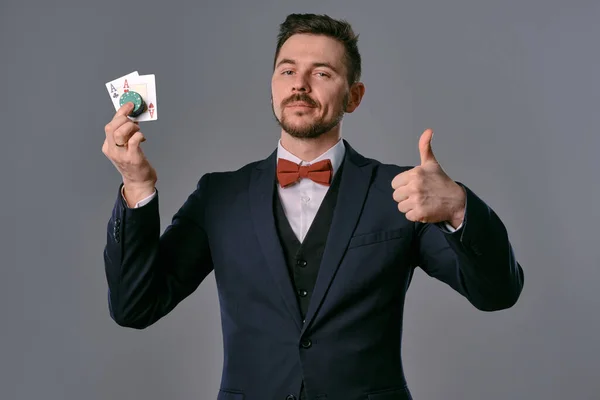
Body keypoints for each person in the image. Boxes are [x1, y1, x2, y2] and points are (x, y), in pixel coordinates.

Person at [102, 13, 524, 400]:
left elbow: (497, 293)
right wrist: (137, 186)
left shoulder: (403, 192)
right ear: (272, 87)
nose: (299, 84)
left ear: (353, 96)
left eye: (321, 73)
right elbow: (135, 307)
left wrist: (458, 208)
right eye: (288, 71)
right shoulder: (218, 196)